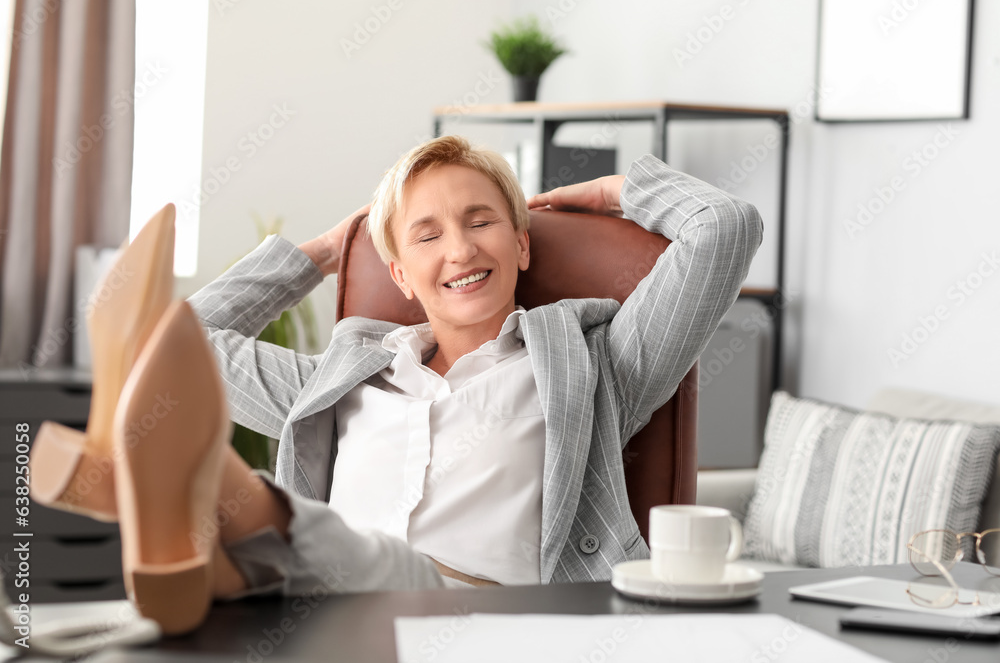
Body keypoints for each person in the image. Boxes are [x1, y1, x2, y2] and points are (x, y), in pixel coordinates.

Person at [30, 134, 762, 635]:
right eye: (426, 234)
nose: (462, 247)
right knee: (234, 567)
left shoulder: (595, 366)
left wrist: (610, 189)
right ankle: (199, 542)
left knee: (271, 518)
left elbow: (725, 227)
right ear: (401, 278)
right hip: (323, 614)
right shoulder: (346, 379)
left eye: (482, 221)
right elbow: (184, 344)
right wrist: (322, 251)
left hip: (478, 620)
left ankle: (139, 484)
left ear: (521, 242)